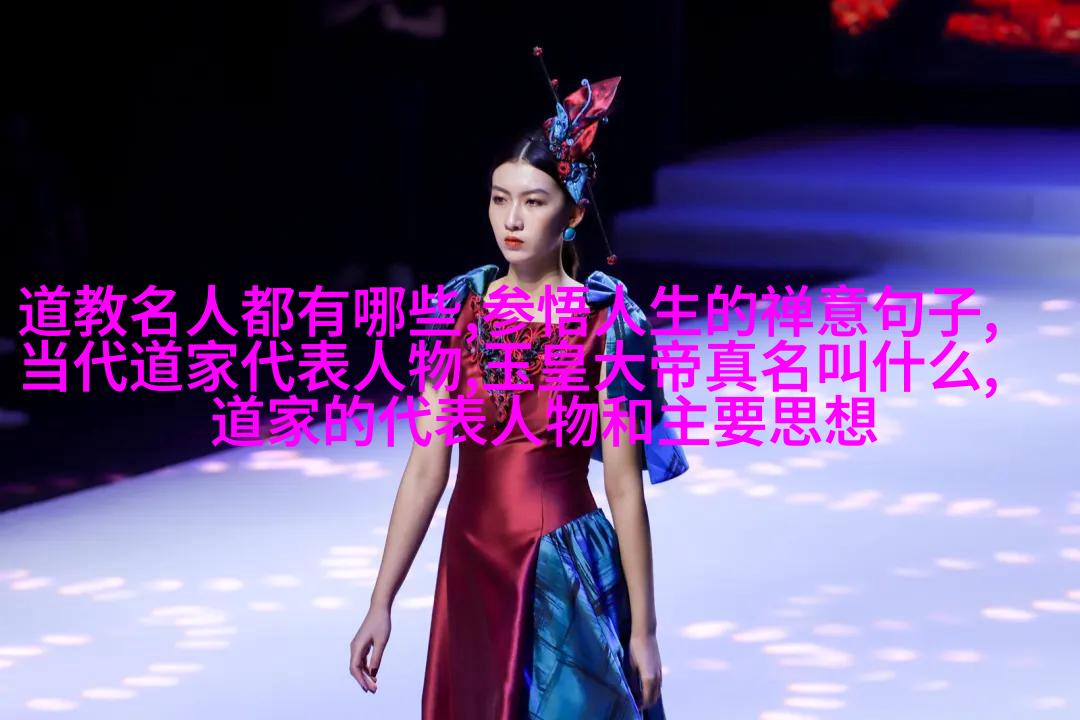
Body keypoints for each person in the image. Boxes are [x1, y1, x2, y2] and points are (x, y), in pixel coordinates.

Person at [348, 48, 689, 719]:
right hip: (469, 561)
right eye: (500, 199)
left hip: (559, 562)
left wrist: (645, 630)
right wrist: (380, 602)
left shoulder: (606, 323)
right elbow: (426, 468)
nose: (511, 220)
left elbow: (624, 485)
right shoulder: (458, 310)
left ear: (572, 213)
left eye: (533, 202)